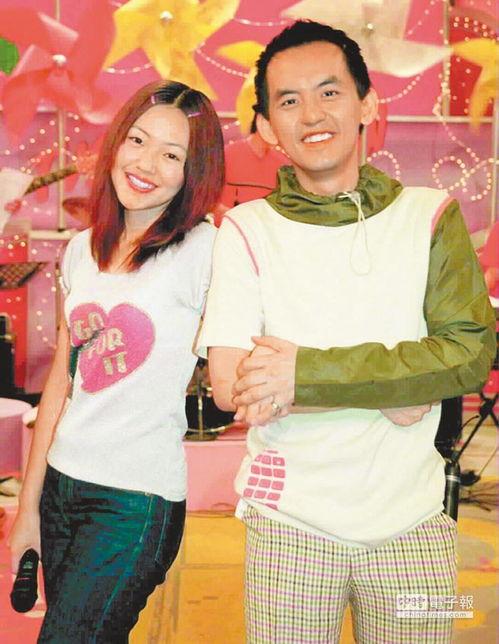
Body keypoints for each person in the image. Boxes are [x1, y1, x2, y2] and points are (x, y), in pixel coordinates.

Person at [197, 21, 496, 644]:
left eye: (329, 92)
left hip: (417, 524)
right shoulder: (246, 229)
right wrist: (395, 385)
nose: (312, 114)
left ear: (367, 104)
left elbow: (469, 352)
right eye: (288, 100)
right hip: (286, 526)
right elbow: (231, 385)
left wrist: (302, 374)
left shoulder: (430, 214)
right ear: (266, 127)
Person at [8, 79, 224, 642]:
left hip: (134, 502)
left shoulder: (204, 249)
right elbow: (62, 383)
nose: (146, 163)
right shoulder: (80, 251)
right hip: (61, 488)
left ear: (193, 172)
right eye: (138, 140)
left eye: (172, 155)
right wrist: (28, 506)